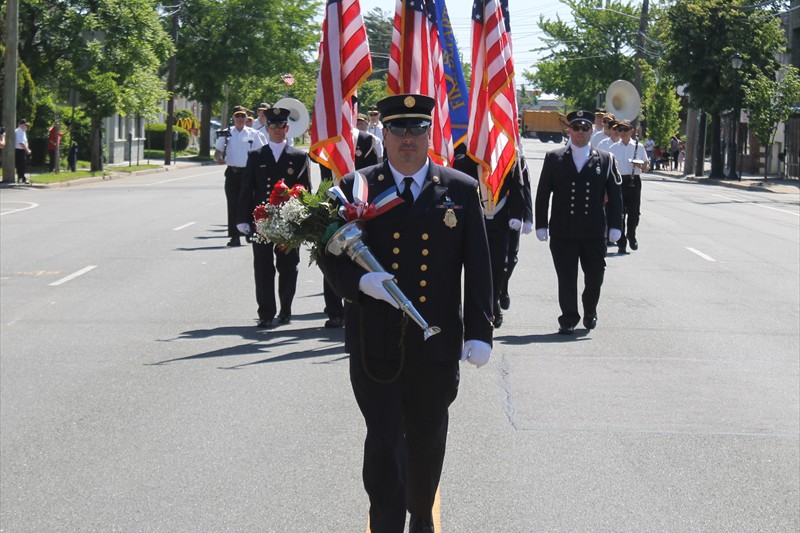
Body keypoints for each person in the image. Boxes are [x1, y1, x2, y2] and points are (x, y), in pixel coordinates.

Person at [319, 94, 494, 533]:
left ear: (429, 133)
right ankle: (387, 521)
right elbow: (329, 255)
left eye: (417, 129)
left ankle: (420, 512)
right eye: (398, 129)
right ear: (384, 132)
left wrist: (480, 332)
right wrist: (360, 283)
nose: (408, 140)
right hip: (373, 342)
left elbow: (479, 266)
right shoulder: (355, 186)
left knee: (427, 437)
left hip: (435, 342)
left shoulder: (459, 189)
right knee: (383, 440)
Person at [534, 110, 623, 335]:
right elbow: (543, 193)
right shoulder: (554, 158)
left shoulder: (605, 159)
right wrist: (541, 224)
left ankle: (590, 309)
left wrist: (615, 226)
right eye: (576, 128)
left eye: (585, 128)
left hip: (593, 230)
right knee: (566, 277)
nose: (580, 133)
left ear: (592, 130)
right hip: (564, 230)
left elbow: (615, 195)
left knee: (595, 276)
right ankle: (568, 317)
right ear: (568, 130)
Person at [236, 107, 311, 328]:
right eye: (273, 126)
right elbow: (247, 189)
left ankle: (285, 309)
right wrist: (242, 218)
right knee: (263, 266)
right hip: (262, 219)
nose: (277, 130)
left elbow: (305, 189)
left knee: (288, 266)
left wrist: (304, 218)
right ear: (266, 128)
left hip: (288, 219)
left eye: (281, 126)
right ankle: (266, 312)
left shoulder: (298, 156)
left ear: (287, 128)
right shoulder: (256, 155)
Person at [453, 143, 523, 328]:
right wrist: (475, 153)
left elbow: (518, 185)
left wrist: (518, 214)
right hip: (473, 218)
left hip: (499, 219)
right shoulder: (466, 152)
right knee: (474, 267)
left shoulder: (505, 151)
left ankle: (493, 305)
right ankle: (475, 311)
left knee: (499, 266)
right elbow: (457, 171)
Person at [215, 105, 266, 247]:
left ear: (246, 118)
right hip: (232, 172)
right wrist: (218, 158)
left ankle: (250, 232)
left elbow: (262, 151)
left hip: (249, 173)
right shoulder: (226, 133)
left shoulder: (253, 134)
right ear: (233, 118)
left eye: (242, 116)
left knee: (250, 203)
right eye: (237, 116)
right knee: (233, 205)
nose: (240, 118)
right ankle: (234, 236)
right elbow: (218, 151)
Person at [608, 119, 649, 254]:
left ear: (631, 131)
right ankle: (621, 242)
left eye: (625, 130)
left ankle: (631, 235)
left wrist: (640, 165)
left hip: (634, 181)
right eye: (620, 130)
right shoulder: (613, 148)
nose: (623, 132)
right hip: (619, 181)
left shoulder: (639, 146)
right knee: (619, 213)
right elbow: (610, 168)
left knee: (634, 213)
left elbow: (646, 167)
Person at [499, 152, 533, 311]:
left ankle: (503, 287)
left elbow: (524, 188)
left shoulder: (518, 160)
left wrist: (528, 217)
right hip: (493, 214)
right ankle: (495, 301)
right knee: (497, 260)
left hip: (514, 214)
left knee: (511, 257)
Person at [14, 120, 32, 184]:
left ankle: (22, 177)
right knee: (20, 165)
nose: (26, 126)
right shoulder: (19, 131)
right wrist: (27, 150)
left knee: (23, 165)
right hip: (19, 150)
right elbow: (21, 143)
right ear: (21, 125)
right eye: (25, 125)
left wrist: (26, 149)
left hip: (22, 150)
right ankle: (21, 178)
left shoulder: (22, 131)